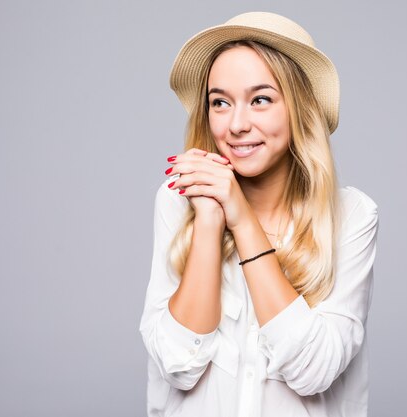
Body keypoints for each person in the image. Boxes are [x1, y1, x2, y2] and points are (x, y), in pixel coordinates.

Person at [139, 11, 379, 417]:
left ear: (299, 109)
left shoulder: (352, 215)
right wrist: (210, 221)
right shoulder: (180, 199)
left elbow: (313, 370)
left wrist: (241, 217)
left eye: (260, 100)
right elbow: (178, 363)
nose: (236, 124)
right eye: (220, 102)